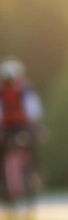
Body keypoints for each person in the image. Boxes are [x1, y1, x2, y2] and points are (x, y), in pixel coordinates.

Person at [0, 57, 44, 204]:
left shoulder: (25, 91)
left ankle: (34, 176)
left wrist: (35, 127)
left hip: (22, 126)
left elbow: (33, 111)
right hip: (8, 128)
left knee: (32, 150)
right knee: (4, 153)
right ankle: (6, 186)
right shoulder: (8, 92)